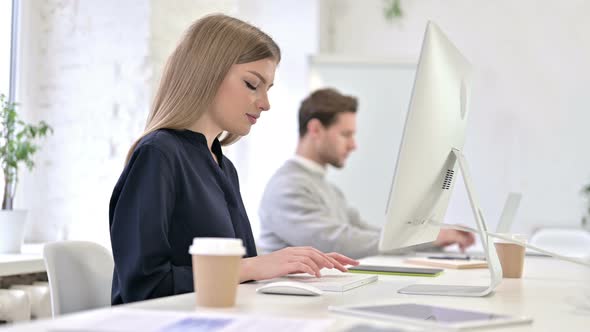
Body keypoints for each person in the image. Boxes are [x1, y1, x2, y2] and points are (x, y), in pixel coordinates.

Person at [109, 15, 358, 305]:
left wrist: (282, 268)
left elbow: (240, 275)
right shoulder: (159, 154)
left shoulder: (223, 166)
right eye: (253, 84)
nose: (265, 103)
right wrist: (255, 266)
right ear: (207, 75)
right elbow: (145, 286)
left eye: (268, 89)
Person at [258, 88, 475, 259]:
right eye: (346, 134)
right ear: (315, 129)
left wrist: (431, 235)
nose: (353, 145)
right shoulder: (287, 186)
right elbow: (338, 242)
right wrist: (427, 238)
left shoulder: (327, 188)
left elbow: (365, 232)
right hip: (295, 305)